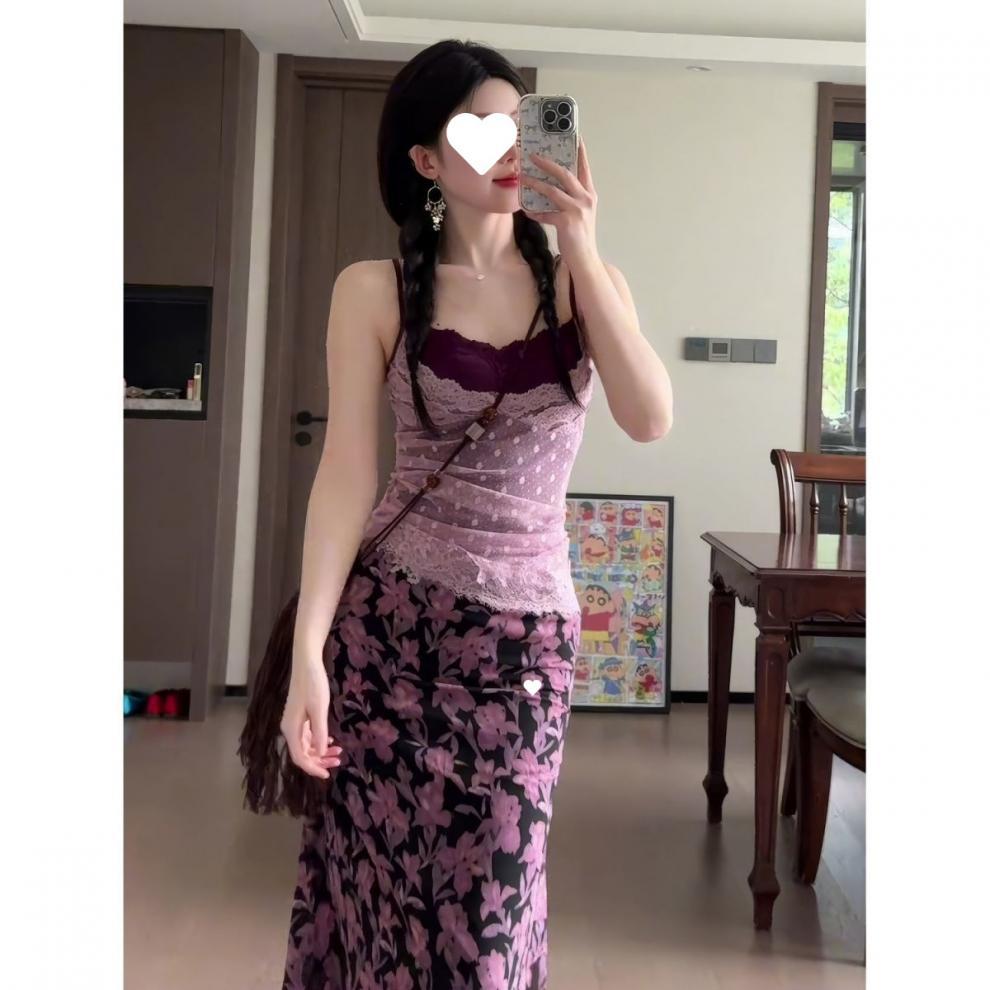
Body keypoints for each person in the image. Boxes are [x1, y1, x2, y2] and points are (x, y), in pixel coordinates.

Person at [239, 38, 673, 990]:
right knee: (375, 902)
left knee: (487, 923)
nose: (510, 145)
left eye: (521, 124)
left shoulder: (586, 285)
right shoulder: (374, 290)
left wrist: (582, 243)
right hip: (388, 636)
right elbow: (347, 474)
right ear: (427, 160)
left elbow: (650, 417)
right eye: (481, 128)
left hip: (522, 656)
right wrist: (310, 651)